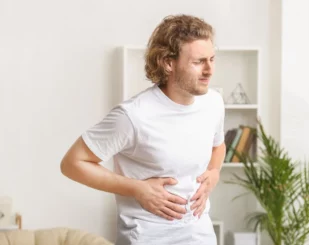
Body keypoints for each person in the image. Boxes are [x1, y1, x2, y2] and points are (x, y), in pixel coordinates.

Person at [60, 14, 226, 245]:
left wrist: (215, 172)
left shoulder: (214, 103)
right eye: (198, 62)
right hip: (147, 236)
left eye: (212, 59)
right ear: (169, 63)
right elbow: (72, 164)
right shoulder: (134, 116)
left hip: (200, 233)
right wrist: (138, 189)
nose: (209, 70)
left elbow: (218, 144)